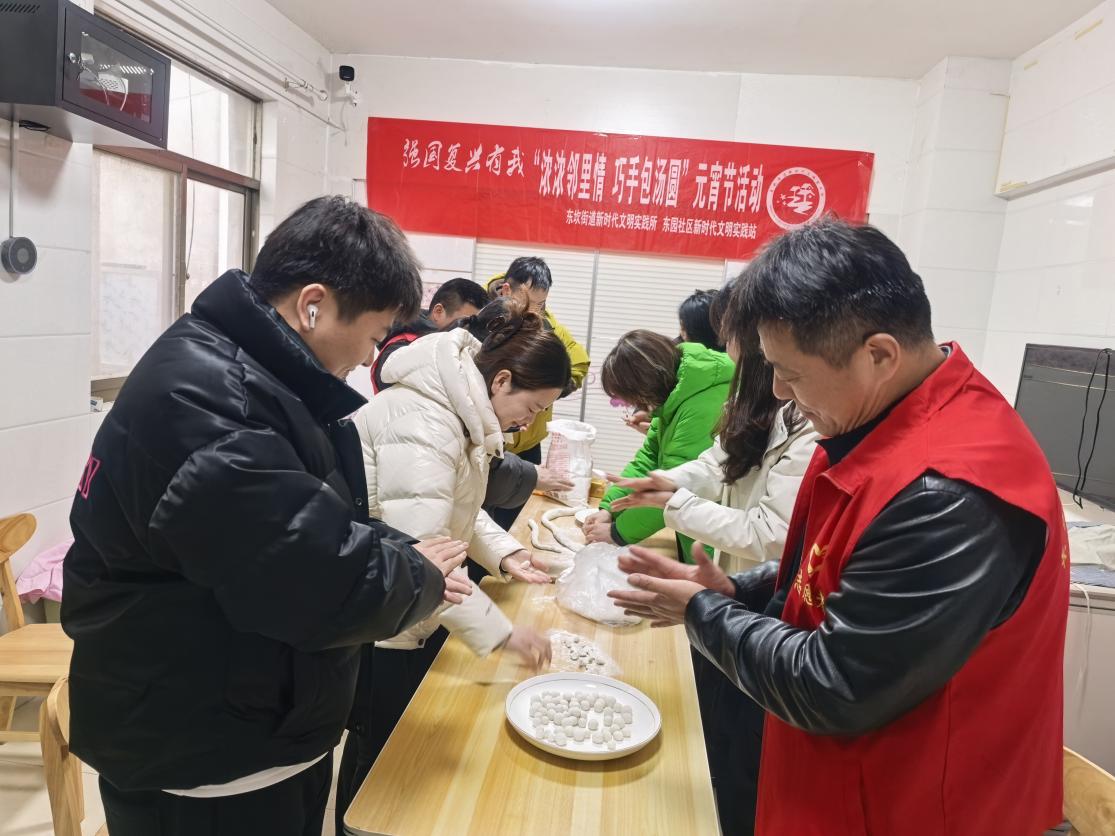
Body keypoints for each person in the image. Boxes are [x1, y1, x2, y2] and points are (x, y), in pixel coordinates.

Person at [610, 218, 1069, 836]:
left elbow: (836, 683)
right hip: (847, 786)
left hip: (912, 807)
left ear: (878, 355)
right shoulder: (884, 422)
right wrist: (741, 591)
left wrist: (702, 613)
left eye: (791, 373)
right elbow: (847, 566)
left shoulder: (950, 492)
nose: (778, 391)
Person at [62, 196, 471, 836]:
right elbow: (311, 582)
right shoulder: (209, 402)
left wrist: (397, 550)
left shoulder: (251, 377)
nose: (371, 358)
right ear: (313, 305)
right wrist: (416, 573)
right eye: (372, 336)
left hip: (247, 725)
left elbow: (310, 517)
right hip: (204, 757)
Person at [337, 300, 568, 829]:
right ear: (501, 380)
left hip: (404, 602)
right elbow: (421, 555)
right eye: (532, 407)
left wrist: (507, 551)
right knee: (379, 762)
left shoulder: (458, 408)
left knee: (389, 752)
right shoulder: (427, 423)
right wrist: (504, 634)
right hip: (384, 619)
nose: (529, 421)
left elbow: (459, 506)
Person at [607, 280, 817, 833]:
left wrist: (671, 504)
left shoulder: (808, 418)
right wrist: (666, 484)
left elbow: (770, 534)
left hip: (763, 602)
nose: (733, 357)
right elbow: (714, 461)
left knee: (740, 748)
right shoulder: (761, 403)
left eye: (738, 346)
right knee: (715, 731)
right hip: (734, 587)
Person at [583, 330, 734, 558]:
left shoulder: (703, 405)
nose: (637, 406)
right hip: (693, 526)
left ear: (646, 387)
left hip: (717, 533)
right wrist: (609, 508)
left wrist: (617, 533)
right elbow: (648, 459)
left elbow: (674, 488)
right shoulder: (677, 392)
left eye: (636, 399)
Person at [486, 256, 590, 528]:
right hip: (492, 440)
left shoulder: (548, 326)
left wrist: (547, 390)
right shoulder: (484, 320)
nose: (535, 311)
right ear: (507, 290)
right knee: (482, 511)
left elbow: (580, 362)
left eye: (541, 304)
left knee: (514, 519)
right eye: (529, 302)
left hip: (528, 443)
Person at [368, 276, 488, 393]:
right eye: (465, 323)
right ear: (438, 312)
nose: (470, 334)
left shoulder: (445, 348)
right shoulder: (398, 351)